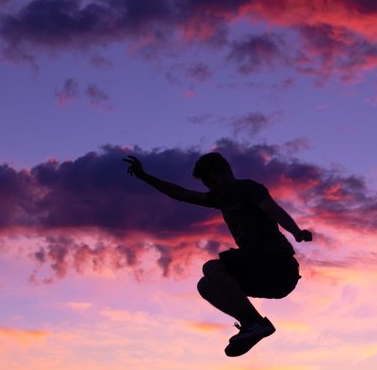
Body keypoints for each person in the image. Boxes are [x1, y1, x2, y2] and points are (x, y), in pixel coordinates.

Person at [123, 152, 312, 357]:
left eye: (214, 181)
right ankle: (252, 324)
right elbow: (182, 194)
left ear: (227, 172)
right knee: (205, 285)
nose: (213, 188)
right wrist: (145, 177)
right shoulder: (219, 198)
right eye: (208, 185)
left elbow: (273, 210)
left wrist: (296, 231)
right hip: (262, 274)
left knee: (212, 267)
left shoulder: (248, 188)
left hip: (277, 264)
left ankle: (254, 321)